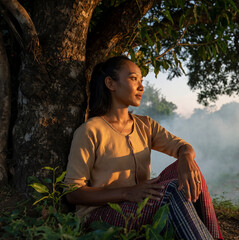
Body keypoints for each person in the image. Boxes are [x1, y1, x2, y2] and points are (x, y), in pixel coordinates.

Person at [64, 55, 222, 239]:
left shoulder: (145, 124)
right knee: (171, 190)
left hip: (139, 204)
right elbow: (72, 193)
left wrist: (186, 158)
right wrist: (126, 193)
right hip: (102, 215)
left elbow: (182, 146)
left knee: (193, 174)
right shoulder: (90, 130)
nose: (141, 86)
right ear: (110, 83)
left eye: (141, 80)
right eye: (133, 79)